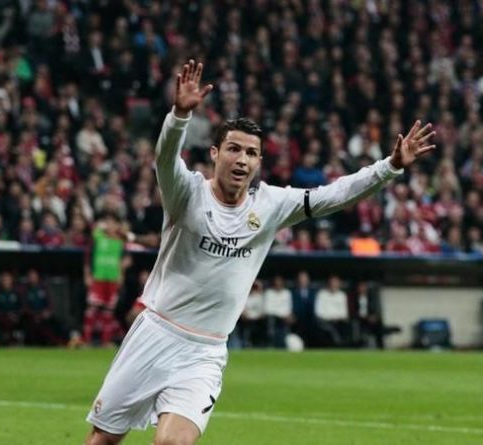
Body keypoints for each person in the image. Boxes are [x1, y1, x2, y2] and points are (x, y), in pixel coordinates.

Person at [84, 59, 435, 445]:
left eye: (251, 153)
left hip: (205, 352)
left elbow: (333, 195)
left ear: (259, 162)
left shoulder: (270, 204)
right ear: (215, 153)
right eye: (233, 149)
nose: (242, 159)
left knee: (171, 443)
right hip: (156, 333)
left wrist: (390, 167)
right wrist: (180, 115)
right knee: (103, 439)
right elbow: (165, 158)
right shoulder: (186, 193)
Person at [82, 211, 132, 346]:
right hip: (98, 278)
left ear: (117, 225)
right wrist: (87, 274)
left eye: (112, 223)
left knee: (108, 311)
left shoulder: (121, 240)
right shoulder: (97, 236)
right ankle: (86, 340)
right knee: (92, 308)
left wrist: (122, 272)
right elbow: (88, 257)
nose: (109, 225)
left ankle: (105, 341)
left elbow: (126, 259)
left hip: (113, 278)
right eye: (107, 222)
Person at [314, 275, 351, 347]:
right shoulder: (321, 294)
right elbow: (318, 312)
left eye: (335, 283)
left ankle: (346, 345)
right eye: (332, 283)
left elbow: (344, 313)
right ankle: (337, 344)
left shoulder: (342, 295)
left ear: (339, 284)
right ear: (328, 284)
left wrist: (337, 318)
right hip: (324, 321)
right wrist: (330, 318)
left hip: (339, 321)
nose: (333, 285)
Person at [263, 275, 293, 348]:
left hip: (284, 319)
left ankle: (283, 344)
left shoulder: (287, 293)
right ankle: (271, 343)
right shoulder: (268, 293)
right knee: (271, 320)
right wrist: (280, 314)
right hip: (272, 318)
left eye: (279, 282)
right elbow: (268, 309)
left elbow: (288, 308)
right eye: (276, 283)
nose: (278, 284)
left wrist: (285, 315)